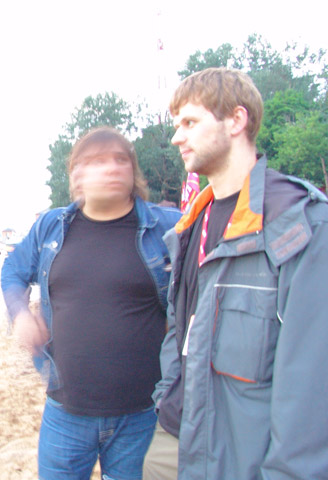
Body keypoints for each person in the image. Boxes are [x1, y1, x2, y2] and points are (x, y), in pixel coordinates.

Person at [145, 67, 328, 479]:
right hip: (174, 441)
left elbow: (311, 391)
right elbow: (179, 330)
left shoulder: (300, 225)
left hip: (244, 459)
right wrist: (166, 395)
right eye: (177, 125)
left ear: (236, 120)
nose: (176, 138)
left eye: (190, 122)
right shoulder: (188, 228)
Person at [1, 126, 181, 480]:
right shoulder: (51, 227)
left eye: (121, 159)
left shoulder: (169, 228)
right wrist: (20, 314)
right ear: (77, 175)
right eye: (98, 161)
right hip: (64, 411)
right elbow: (13, 271)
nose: (112, 167)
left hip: (143, 416)